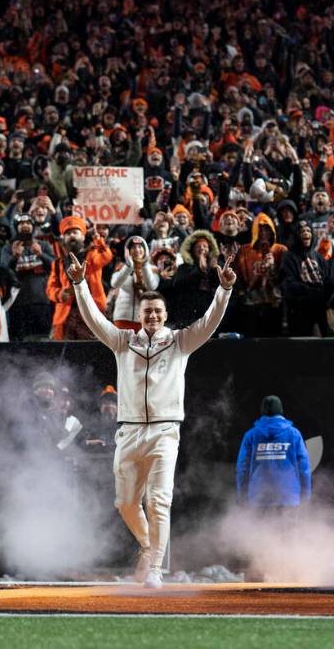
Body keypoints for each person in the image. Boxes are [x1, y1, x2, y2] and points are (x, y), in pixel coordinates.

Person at [67, 250, 238, 588]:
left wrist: (224, 291)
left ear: (165, 314)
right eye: (147, 311)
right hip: (128, 431)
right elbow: (94, 320)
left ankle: (156, 567)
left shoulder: (179, 342)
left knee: (158, 499)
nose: (153, 315)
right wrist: (79, 284)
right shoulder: (122, 341)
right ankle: (148, 547)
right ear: (140, 314)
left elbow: (209, 322)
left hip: (164, 431)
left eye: (158, 311)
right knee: (126, 504)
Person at [236, 395, 311, 512]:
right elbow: (304, 468)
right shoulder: (294, 434)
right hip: (288, 499)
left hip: (258, 499)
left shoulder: (251, 435)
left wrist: (242, 498)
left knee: (260, 531)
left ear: (262, 411)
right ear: (281, 410)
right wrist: (306, 497)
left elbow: (242, 468)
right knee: (288, 531)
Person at [110, 236, 160, 331]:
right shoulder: (121, 267)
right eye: (133, 247)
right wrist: (129, 266)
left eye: (140, 247)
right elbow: (115, 284)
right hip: (122, 317)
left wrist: (144, 265)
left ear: (145, 250)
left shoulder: (152, 268)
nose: (137, 250)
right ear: (128, 251)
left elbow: (152, 286)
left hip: (145, 318)